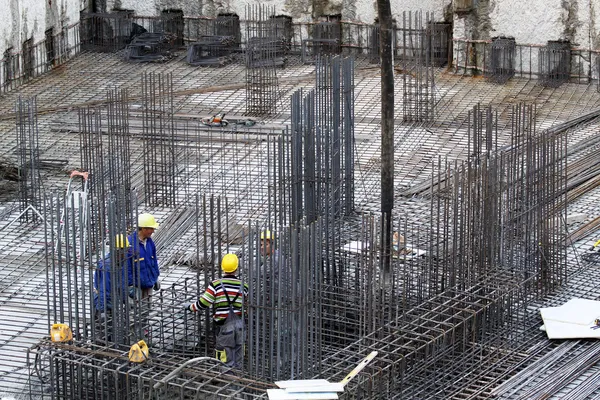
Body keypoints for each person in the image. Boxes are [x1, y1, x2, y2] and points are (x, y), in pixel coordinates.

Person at [184, 253, 248, 369]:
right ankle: (237, 384)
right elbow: (246, 305)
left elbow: (203, 303)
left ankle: (226, 384)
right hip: (240, 327)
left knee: (224, 359)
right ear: (237, 268)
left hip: (224, 328)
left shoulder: (216, 285)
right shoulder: (244, 286)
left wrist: (190, 307)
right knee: (238, 358)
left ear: (222, 268)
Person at [93, 234, 133, 343]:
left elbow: (122, 284)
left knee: (115, 332)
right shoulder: (107, 266)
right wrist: (101, 310)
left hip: (114, 302)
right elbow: (103, 290)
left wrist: (126, 299)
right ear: (117, 251)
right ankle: (99, 355)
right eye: (124, 250)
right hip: (103, 303)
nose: (126, 253)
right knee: (102, 334)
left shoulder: (121, 262)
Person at [128, 213, 161, 300]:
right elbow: (126, 267)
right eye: (151, 228)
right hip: (136, 286)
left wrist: (156, 277)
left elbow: (153, 262)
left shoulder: (150, 242)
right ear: (143, 229)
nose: (153, 231)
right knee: (135, 311)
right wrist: (130, 285)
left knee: (147, 310)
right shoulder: (130, 244)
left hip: (148, 283)